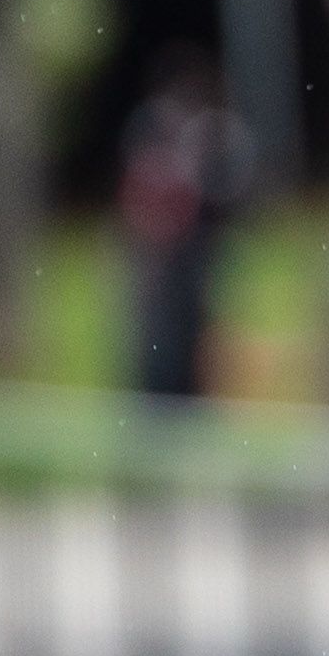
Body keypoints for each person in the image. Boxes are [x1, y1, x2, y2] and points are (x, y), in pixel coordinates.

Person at [113, 56, 248, 405]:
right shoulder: (152, 140)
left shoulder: (205, 136)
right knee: (155, 341)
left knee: (188, 337)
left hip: (187, 258)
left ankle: (183, 398)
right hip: (159, 261)